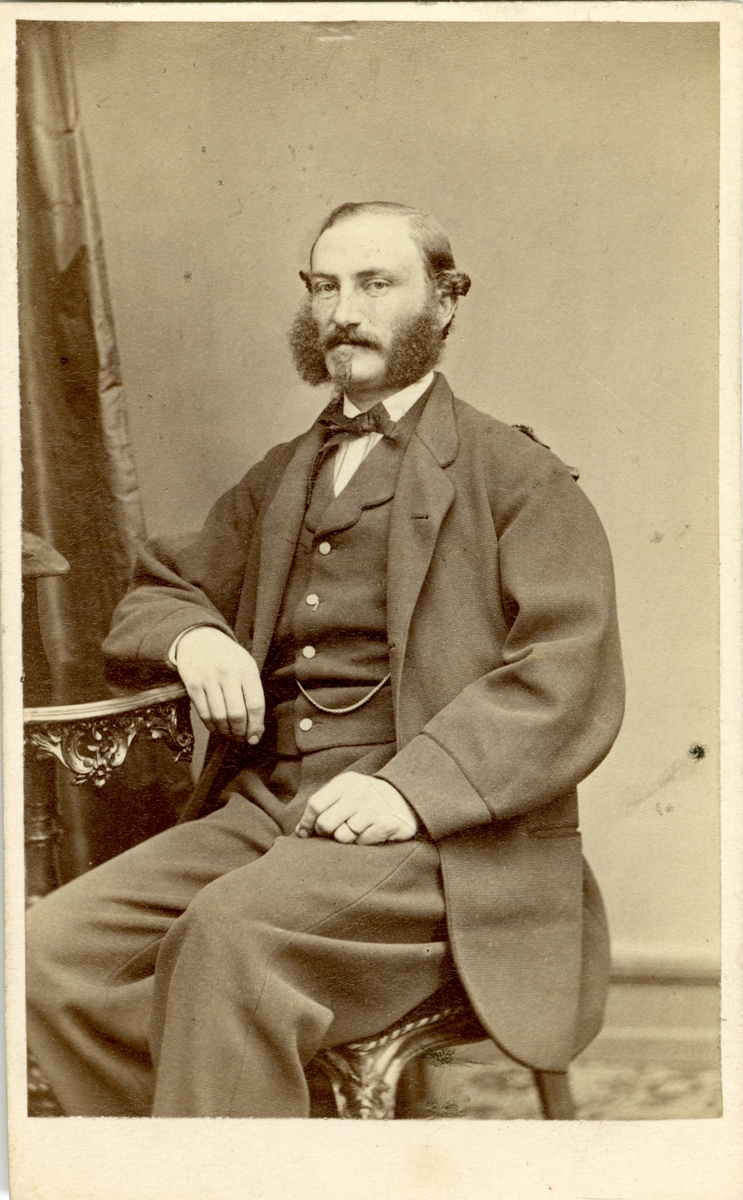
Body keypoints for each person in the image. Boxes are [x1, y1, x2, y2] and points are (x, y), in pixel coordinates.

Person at [26, 201, 624, 1118]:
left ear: (445, 302)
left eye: (376, 284)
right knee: (46, 954)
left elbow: (564, 675)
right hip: (269, 811)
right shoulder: (282, 475)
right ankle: (185, 1163)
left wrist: (410, 790)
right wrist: (195, 636)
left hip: (438, 841)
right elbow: (160, 588)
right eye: (325, 286)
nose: (344, 312)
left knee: (228, 938)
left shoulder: (520, 479)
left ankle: (233, 1165)